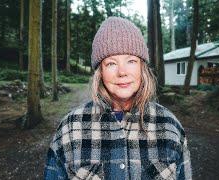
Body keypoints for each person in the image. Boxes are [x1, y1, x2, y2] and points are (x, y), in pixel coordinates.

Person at [44, 17, 192, 180]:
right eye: (111, 63)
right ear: (100, 71)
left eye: (131, 61)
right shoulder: (69, 128)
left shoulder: (169, 125)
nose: (122, 72)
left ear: (142, 67)